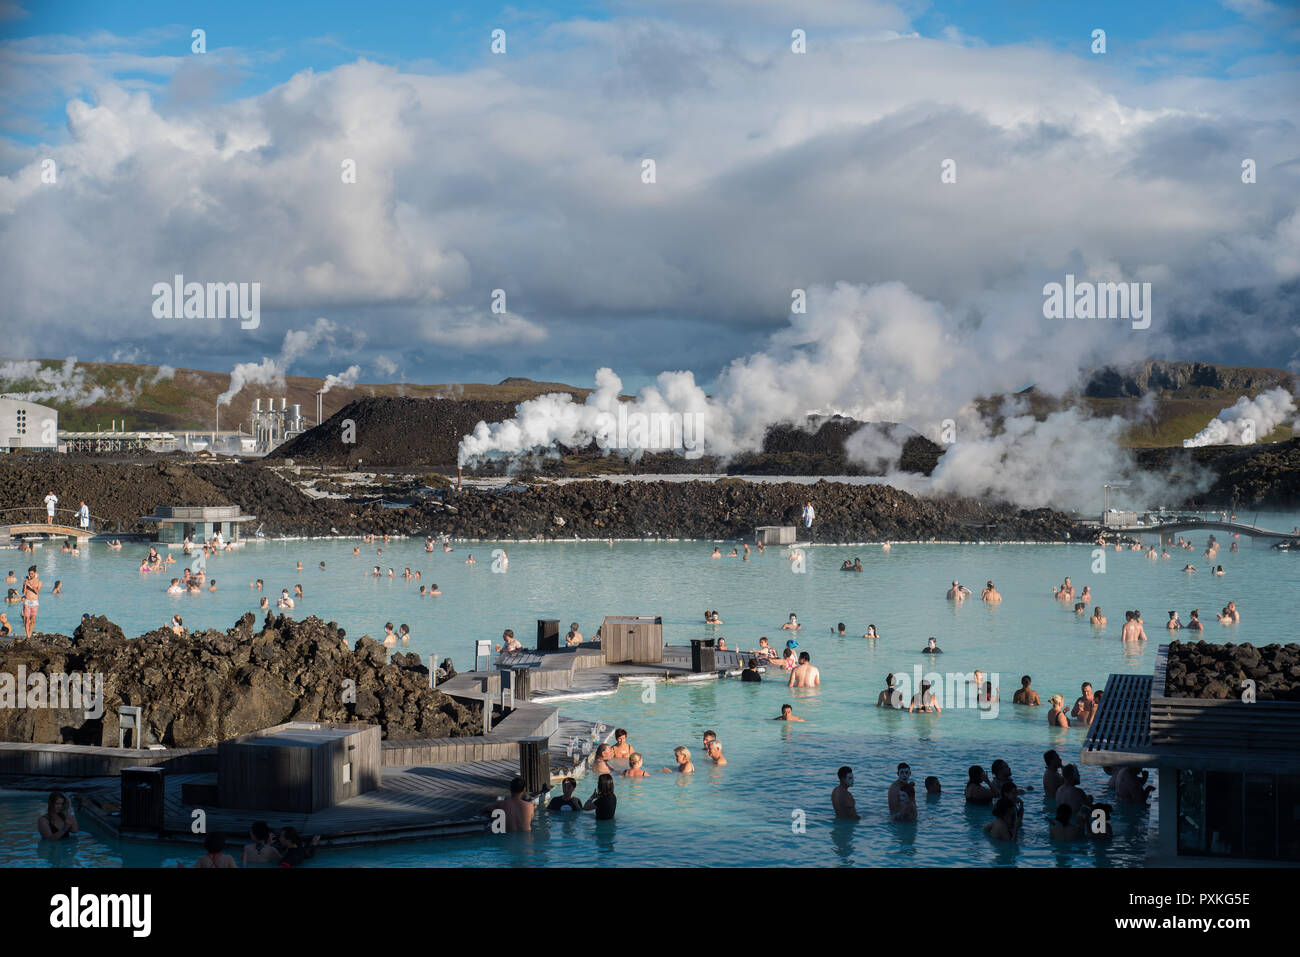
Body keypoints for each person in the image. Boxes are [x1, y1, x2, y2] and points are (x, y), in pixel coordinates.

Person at [20, 565, 41, 639]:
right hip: (27, 601)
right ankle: (28, 635)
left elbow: (37, 592)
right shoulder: (26, 581)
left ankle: (30, 633)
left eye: (32, 573)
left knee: (33, 620)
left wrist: (30, 585)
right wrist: (25, 585)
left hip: (35, 602)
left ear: (35, 573)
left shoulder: (39, 581)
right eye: (29, 573)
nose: (30, 575)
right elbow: (23, 592)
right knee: (27, 619)